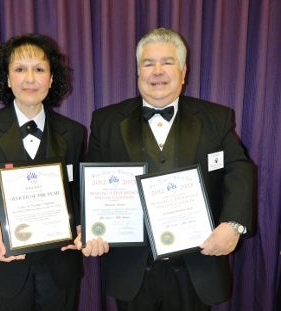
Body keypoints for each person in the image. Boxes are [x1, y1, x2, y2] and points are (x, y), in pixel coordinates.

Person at [79, 28, 254, 310]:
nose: (157, 71)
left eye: (167, 62)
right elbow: (91, 184)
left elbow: (239, 169)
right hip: (132, 270)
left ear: (183, 72)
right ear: (138, 71)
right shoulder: (106, 120)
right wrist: (87, 228)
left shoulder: (216, 118)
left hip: (197, 265)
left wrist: (233, 225)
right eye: (148, 64)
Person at [0, 34, 85, 311]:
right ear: (8, 78)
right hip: (5, 269)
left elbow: (77, 193)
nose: (30, 79)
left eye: (39, 69)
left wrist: (86, 224)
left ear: (51, 79)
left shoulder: (73, 132)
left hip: (60, 270)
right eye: (20, 69)